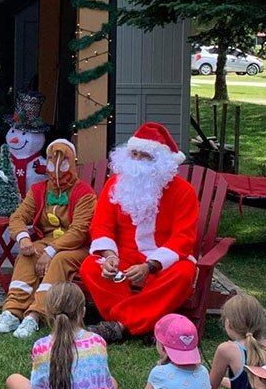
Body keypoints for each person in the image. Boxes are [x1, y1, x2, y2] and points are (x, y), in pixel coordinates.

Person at [80, 123, 199, 337]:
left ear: (161, 163)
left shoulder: (184, 192)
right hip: (122, 258)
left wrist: (149, 266)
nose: (136, 160)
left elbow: (183, 238)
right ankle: (147, 322)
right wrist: (109, 256)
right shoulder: (115, 184)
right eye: (133, 154)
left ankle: (120, 326)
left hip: (163, 262)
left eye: (144, 156)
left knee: (183, 275)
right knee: (91, 267)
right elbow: (101, 225)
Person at [0, 138, 98, 340]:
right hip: (46, 242)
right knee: (27, 254)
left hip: (76, 247)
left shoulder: (85, 193)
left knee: (60, 260)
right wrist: (23, 238)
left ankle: (35, 314)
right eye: (51, 160)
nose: (56, 166)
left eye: (62, 160)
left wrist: (51, 251)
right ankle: (12, 311)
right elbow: (18, 217)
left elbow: (80, 231)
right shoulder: (39, 190)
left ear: (71, 162)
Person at [5, 284, 118, 389]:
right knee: (112, 380)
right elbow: (106, 382)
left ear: (48, 313)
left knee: (14, 380)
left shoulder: (42, 346)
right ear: (83, 312)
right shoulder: (98, 341)